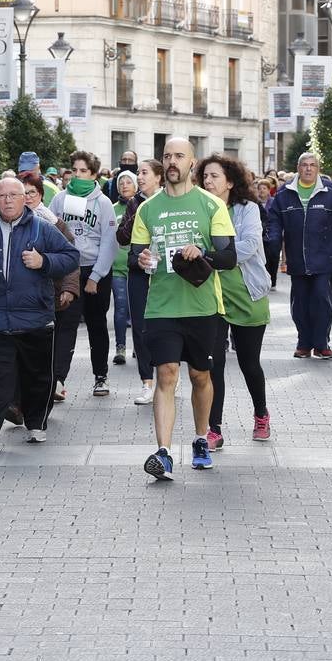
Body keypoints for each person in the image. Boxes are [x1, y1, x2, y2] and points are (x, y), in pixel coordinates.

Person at [130, 137, 238, 479]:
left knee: (199, 375)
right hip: (161, 306)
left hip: (202, 305)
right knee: (166, 374)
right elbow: (134, 256)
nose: (173, 161)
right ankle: (162, 453)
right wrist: (142, 259)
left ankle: (201, 439)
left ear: (192, 163)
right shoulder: (147, 209)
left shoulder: (211, 206)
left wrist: (201, 252)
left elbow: (229, 257)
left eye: (179, 156)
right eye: (167, 156)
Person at [0, 178, 81, 448]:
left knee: (38, 377)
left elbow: (71, 256)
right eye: (2, 196)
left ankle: (36, 422)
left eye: (14, 195)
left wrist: (44, 261)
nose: (8, 200)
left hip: (35, 319)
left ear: (24, 198)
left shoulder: (42, 229)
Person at [197, 155, 271, 449]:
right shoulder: (200, 208)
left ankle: (261, 413)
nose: (208, 181)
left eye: (214, 176)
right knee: (213, 364)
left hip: (247, 294)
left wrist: (209, 256)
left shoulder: (247, 209)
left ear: (230, 181)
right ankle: (213, 428)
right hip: (211, 297)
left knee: (249, 363)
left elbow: (251, 245)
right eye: (204, 176)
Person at [266, 152, 332, 360]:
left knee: (322, 301)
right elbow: (274, 222)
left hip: (325, 259)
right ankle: (304, 342)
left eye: (312, 165)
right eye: (304, 165)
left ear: (318, 168)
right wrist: (272, 244)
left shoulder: (331, 192)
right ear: (298, 167)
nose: (308, 169)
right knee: (300, 303)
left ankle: (322, 343)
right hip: (297, 260)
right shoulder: (284, 193)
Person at [50, 150, 118, 399]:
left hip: (94, 270)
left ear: (93, 174)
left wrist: (96, 277)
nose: (77, 175)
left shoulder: (103, 203)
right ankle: (57, 380)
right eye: (74, 171)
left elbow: (110, 242)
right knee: (65, 324)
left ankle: (100, 376)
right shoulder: (59, 199)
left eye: (83, 171)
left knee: (96, 325)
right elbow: (50, 231)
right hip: (68, 270)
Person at [117, 158, 165, 405]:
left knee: (164, 327)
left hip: (165, 273)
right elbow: (122, 238)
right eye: (138, 173)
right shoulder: (134, 203)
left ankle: (168, 376)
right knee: (140, 327)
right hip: (138, 270)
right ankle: (147, 382)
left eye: (144, 173)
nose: (140, 177)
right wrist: (135, 212)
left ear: (159, 177)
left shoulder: (169, 200)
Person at [110, 170, 139, 366]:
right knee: (120, 308)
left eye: (129, 182)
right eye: (121, 182)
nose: (125, 185)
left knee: (138, 310)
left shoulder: (143, 206)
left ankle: (139, 346)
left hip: (138, 267)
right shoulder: (111, 208)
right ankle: (120, 348)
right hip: (117, 267)